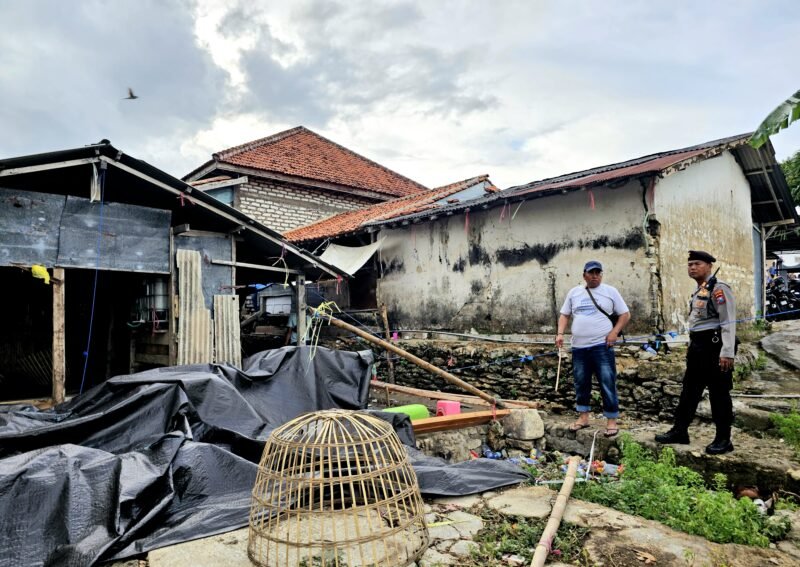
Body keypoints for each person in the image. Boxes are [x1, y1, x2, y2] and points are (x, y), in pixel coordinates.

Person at [655, 250, 736, 455]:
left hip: (715, 345)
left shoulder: (719, 289)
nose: (692, 267)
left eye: (697, 264)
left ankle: (723, 439)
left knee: (719, 393)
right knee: (689, 390)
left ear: (709, 266)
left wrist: (727, 352)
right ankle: (680, 431)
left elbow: (728, 322)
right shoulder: (700, 290)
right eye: (690, 264)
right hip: (698, 345)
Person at [556, 260, 631, 437]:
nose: (595, 276)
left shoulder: (610, 291)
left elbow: (625, 314)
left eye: (598, 273)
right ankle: (583, 417)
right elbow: (565, 315)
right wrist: (560, 334)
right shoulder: (574, 293)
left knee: (607, 381)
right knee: (581, 382)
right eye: (591, 273)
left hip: (601, 346)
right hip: (579, 347)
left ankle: (611, 421)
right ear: (584, 275)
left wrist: (614, 332)